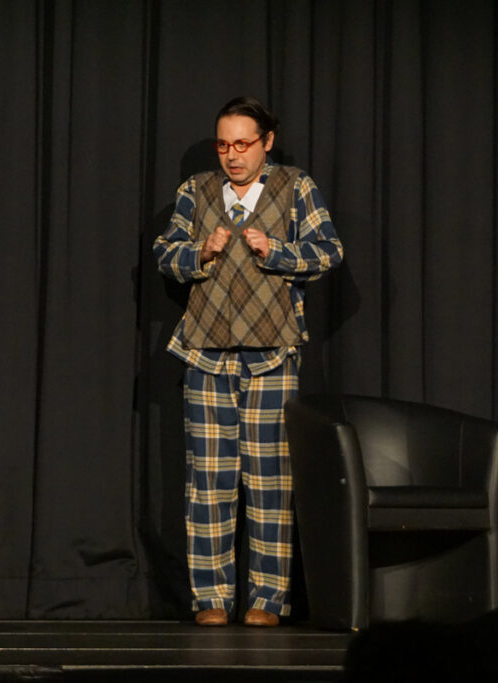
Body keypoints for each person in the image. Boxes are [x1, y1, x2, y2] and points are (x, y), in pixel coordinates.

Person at [153, 96, 343, 627]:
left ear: (267, 142)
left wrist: (278, 250)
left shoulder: (295, 187)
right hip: (206, 351)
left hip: (272, 352)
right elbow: (164, 254)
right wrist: (199, 252)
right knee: (208, 482)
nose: (232, 155)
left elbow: (329, 250)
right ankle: (211, 598)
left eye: (243, 144)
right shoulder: (197, 191)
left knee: (270, 481)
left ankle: (267, 599)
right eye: (223, 145)